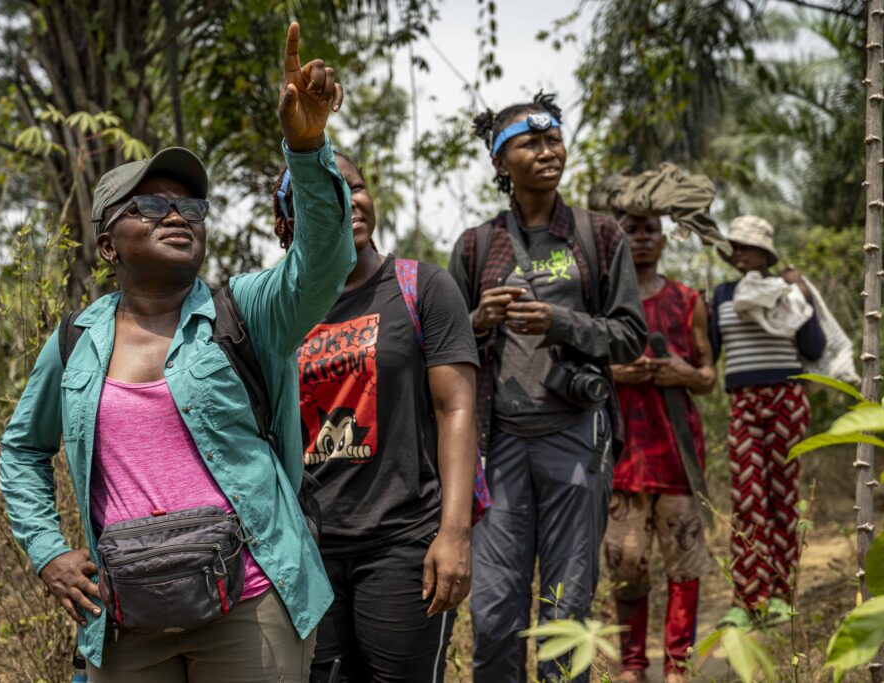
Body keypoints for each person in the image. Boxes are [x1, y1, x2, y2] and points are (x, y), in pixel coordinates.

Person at [0, 23, 351, 681]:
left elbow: (323, 262)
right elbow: (19, 449)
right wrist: (48, 551)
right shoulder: (74, 343)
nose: (179, 213)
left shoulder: (246, 311)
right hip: (126, 618)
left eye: (191, 203)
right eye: (153, 203)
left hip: (249, 605)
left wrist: (306, 148)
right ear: (108, 243)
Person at [447, 91, 647, 683]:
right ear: (500, 163)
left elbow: (632, 335)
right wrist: (479, 321)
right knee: (494, 613)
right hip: (499, 444)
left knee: (566, 611)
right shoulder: (476, 245)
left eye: (552, 139)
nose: (546, 151)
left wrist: (561, 323)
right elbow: (445, 349)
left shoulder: (598, 235)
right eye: (528, 143)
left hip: (576, 439)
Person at [272, 150, 479, 682]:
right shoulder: (275, 311)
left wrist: (453, 534)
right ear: (286, 221)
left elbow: (455, 409)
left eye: (355, 187)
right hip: (309, 551)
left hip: (403, 542)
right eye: (321, 192)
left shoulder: (424, 288)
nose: (347, 200)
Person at [604, 212, 715, 683]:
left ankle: (678, 664)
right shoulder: (607, 302)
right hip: (624, 452)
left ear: (664, 240)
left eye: (651, 230)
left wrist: (681, 373)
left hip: (677, 452)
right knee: (626, 562)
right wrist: (618, 373)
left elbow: (708, 375)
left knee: (683, 560)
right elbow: (588, 363)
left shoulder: (689, 300)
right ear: (621, 239)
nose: (643, 238)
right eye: (633, 230)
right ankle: (632, 665)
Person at [709, 215, 826, 630]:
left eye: (746, 245)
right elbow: (712, 350)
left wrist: (804, 294)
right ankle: (746, 599)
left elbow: (814, 346)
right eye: (734, 245)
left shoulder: (787, 290)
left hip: (787, 399)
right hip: (743, 402)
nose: (738, 252)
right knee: (747, 499)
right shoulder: (722, 295)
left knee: (782, 496)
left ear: (766, 253)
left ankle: (779, 595)